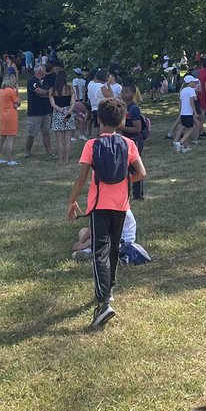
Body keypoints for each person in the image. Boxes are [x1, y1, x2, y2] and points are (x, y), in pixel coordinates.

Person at [66, 97, 146, 328]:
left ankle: (103, 302)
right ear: (121, 121)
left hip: (99, 206)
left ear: (98, 120)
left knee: (99, 251)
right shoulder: (128, 144)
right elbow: (141, 173)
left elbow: (82, 179)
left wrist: (71, 201)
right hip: (121, 205)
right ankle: (109, 289)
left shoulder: (91, 145)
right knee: (113, 246)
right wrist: (124, 180)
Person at [121, 83, 146, 201]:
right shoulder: (123, 107)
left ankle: (138, 195)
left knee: (135, 167)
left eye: (126, 92)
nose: (123, 94)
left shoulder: (134, 109)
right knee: (125, 167)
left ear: (132, 94)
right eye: (122, 92)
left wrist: (121, 128)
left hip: (135, 140)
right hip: (125, 140)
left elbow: (137, 128)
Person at [24, 63, 54, 159]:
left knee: (46, 133)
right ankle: (27, 152)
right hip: (35, 112)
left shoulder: (45, 81)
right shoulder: (31, 81)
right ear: (40, 71)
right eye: (44, 70)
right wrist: (47, 92)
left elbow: (50, 91)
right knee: (32, 133)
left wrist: (46, 92)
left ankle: (49, 151)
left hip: (46, 111)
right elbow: (39, 92)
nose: (46, 72)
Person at [48, 67, 76, 166]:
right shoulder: (70, 88)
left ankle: (60, 159)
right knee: (67, 138)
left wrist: (61, 110)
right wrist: (68, 112)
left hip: (57, 113)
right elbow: (73, 103)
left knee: (59, 139)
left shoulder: (52, 90)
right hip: (69, 112)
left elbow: (53, 104)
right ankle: (67, 159)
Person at [0, 73, 20, 165]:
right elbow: (18, 103)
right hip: (11, 116)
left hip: (3, 116)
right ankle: (10, 160)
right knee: (10, 139)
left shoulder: (2, 90)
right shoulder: (11, 91)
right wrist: (17, 91)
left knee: (2, 138)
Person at [174, 74, 201, 153]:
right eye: (193, 82)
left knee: (186, 128)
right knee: (191, 128)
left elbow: (180, 103)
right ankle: (181, 142)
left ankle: (186, 146)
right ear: (190, 82)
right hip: (189, 113)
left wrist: (180, 111)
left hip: (183, 113)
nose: (195, 83)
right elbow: (192, 101)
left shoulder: (183, 90)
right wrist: (195, 112)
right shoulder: (191, 90)